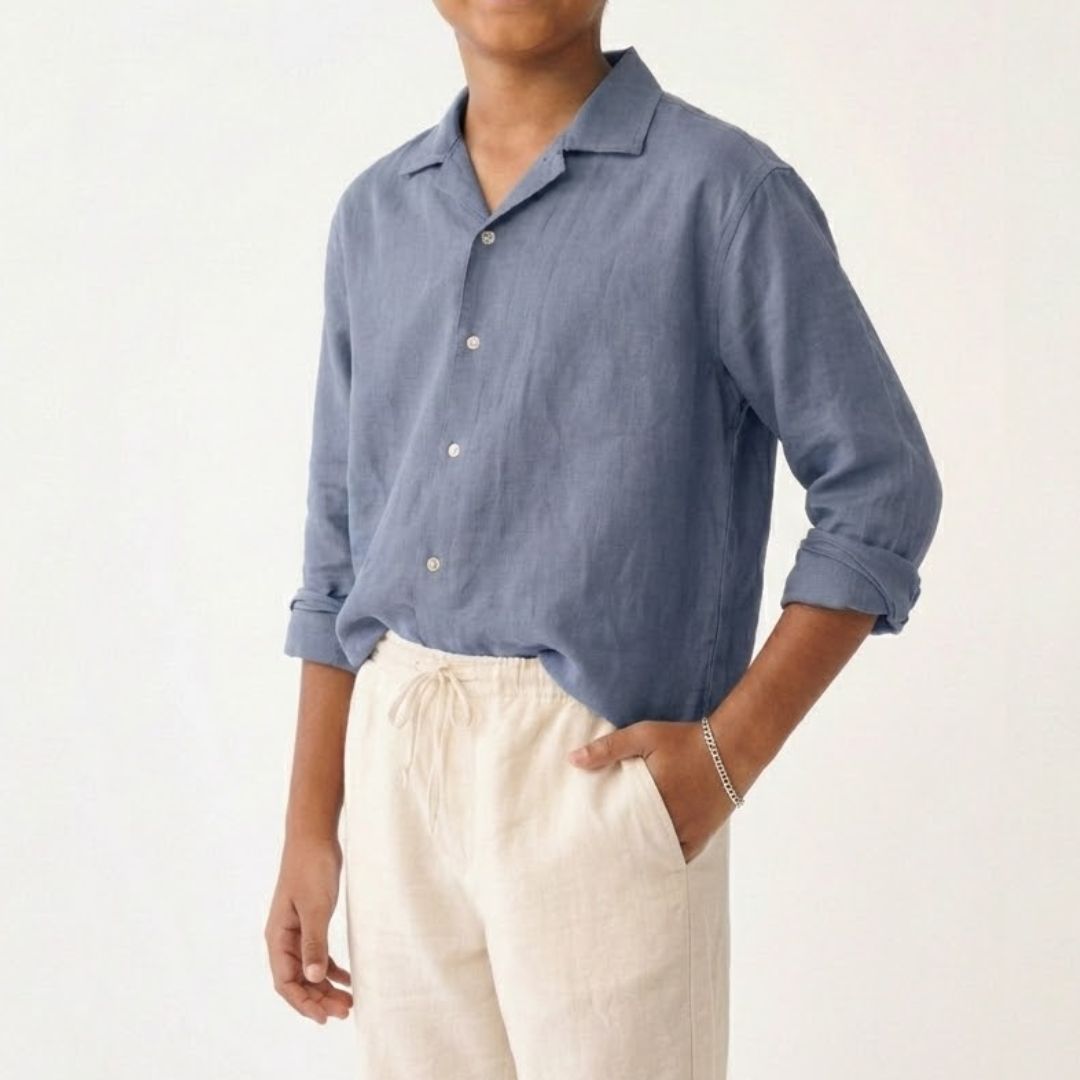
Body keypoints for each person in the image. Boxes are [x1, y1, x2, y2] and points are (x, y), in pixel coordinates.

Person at [264, 2, 943, 1077]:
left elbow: (882, 486)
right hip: (395, 747)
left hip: (594, 761)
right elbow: (339, 539)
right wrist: (313, 822)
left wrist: (726, 758)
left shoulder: (722, 193)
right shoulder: (375, 215)